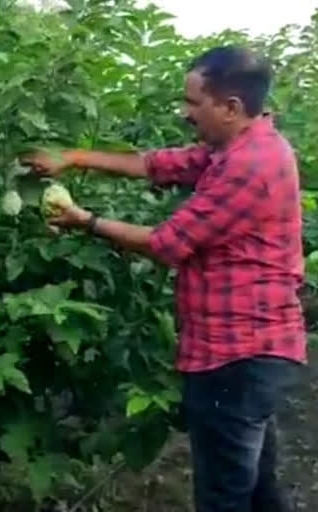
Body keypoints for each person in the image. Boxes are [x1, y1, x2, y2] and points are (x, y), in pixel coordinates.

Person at [22, 46, 307, 512]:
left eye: (194, 104)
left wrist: (84, 220)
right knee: (256, 488)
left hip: (237, 354)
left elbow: (165, 244)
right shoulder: (238, 146)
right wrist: (71, 157)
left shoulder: (249, 166)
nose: (185, 113)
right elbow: (156, 164)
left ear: (230, 107)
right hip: (248, 350)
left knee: (224, 496)